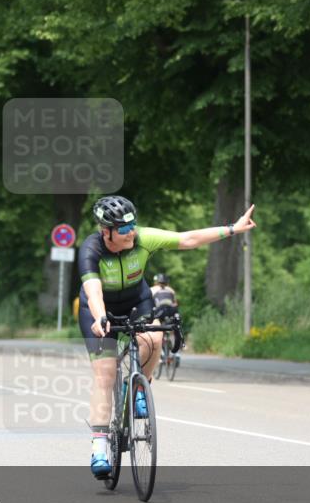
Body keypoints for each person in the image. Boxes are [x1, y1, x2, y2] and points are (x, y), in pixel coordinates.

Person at [80, 195, 256, 478]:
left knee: (155, 338)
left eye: (133, 225)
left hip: (137, 300)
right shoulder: (91, 249)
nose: (131, 232)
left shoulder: (144, 239)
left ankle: (138, 387)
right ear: (106, 231)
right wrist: (100, 317)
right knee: (105, 374)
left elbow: (188, 239)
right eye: (124, 229)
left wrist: (232, 229)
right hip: (100, 307)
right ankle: (99, 445)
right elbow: (93, 293)